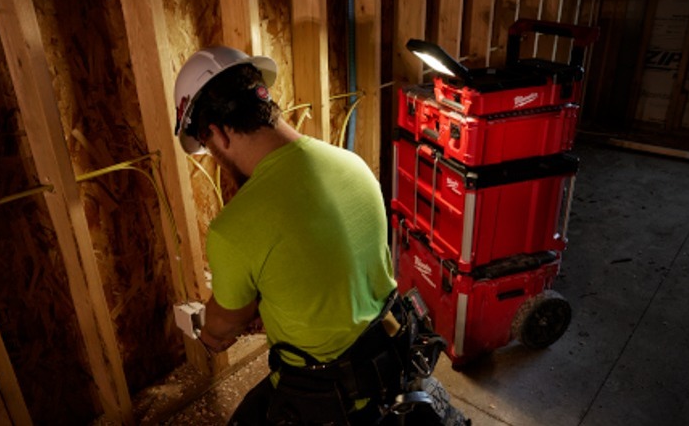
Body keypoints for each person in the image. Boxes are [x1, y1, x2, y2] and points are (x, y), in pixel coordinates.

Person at [173, 46, 468, 425]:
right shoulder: (352, 164)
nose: (215, 155)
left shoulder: (234, 228)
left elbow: (223, 328)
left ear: (216, 133)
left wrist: (207, 330)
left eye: (210, 148)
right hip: (392, 360)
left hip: (325, 396)